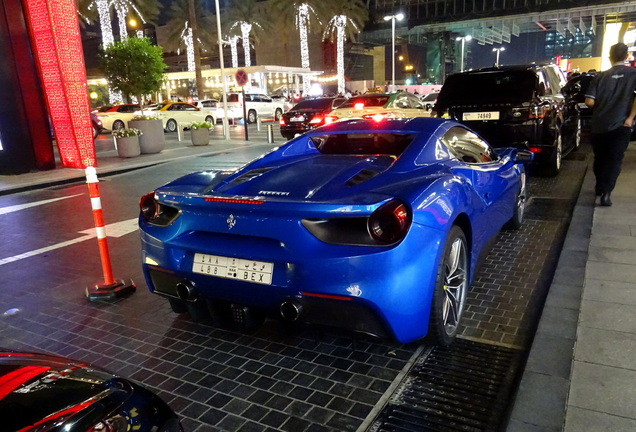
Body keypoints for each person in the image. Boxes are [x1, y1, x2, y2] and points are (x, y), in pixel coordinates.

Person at [585, 42, 636, 206]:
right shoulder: (633, 74)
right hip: (621, 124)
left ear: (610, 57)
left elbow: (589, 101)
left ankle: (600, 186)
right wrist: (630, 118)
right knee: (614, 159)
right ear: (627, 56)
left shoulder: (600, 77)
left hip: (599, 124)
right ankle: (606, 192)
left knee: (600, 158)